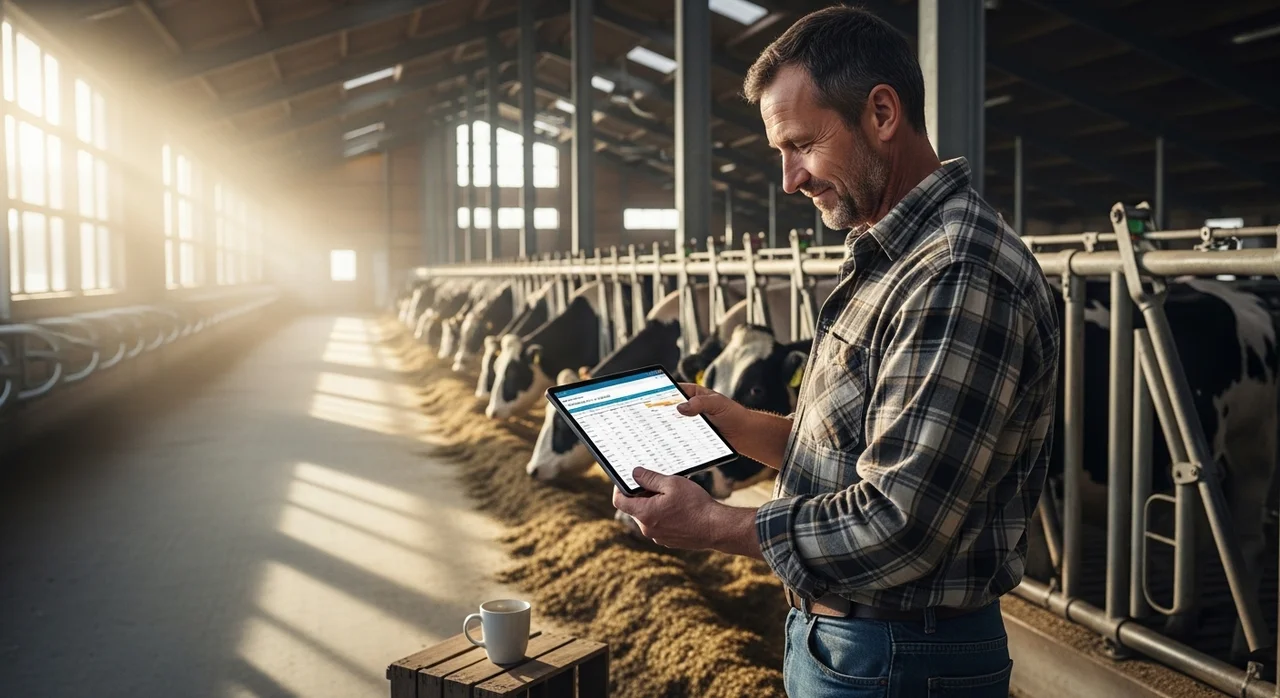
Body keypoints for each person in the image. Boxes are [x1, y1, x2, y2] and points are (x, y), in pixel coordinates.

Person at [611, 7, 1060, 697]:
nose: (790, 178)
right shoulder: (891, 252)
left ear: (881, 112)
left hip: (902, 655)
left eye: (800, 144)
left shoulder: (955, 272)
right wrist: (734, 421)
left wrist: (713, 525)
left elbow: (897, 522)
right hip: (856, 643)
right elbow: (860, 452)